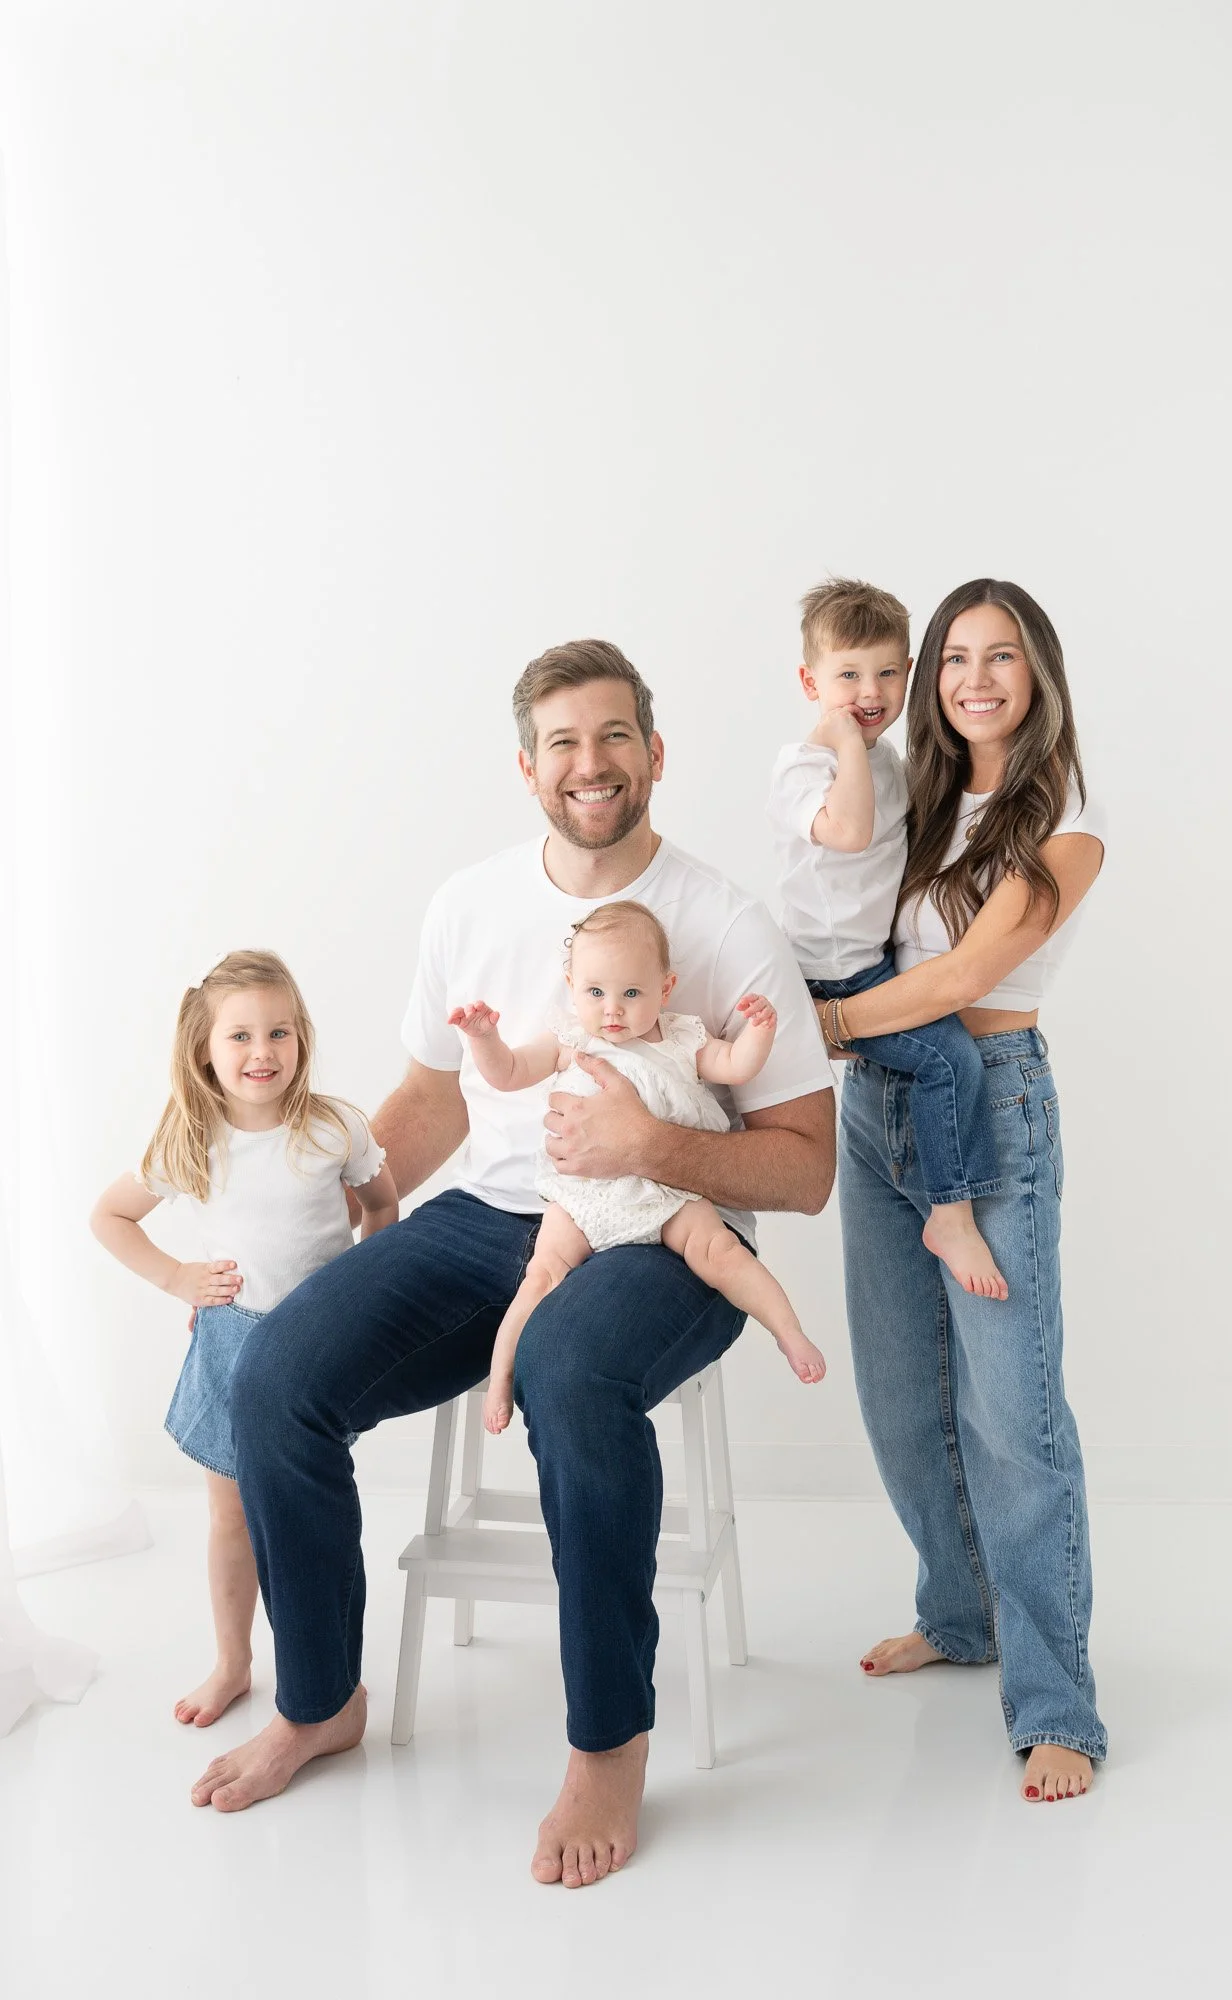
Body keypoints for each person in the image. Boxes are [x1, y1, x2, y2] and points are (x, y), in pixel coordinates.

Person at [189, 641, 835, 1888]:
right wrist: (356, 1180)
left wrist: (650, 1139)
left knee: (568, 1374)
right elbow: (432, 1100)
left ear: (655, 752)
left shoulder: (725, 923)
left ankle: (608, 1739)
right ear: (527, 766)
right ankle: (321, 1696)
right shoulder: (468, 904)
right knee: (279, 1376)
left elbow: (803, 1168)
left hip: (662, 1224)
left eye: (611, 737)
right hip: (494, 1213)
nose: (587, 764)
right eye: (561, 743)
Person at [824, 579, 1108, 1803]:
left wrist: (819, 1021)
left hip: (989, 1099)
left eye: (1001, 656)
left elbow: (965, 973)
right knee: (901, 1397)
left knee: (1012, 1416)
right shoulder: (911, 801)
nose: (974, 677)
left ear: (1037, 674)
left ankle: (1057, 1705)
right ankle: (959, 1610)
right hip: (875, 1108)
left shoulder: (1067, 822)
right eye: (955, 657)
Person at [89, 950, 398, 1729]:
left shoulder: (334, 1127)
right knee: (230, 1518)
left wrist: (353, 1288)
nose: (262, 1053)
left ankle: (322, 1678)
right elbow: (110, 1216)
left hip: (316, 1348)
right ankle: (233, 1661)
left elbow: (382, 1207)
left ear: (301, 1039)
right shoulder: (190, 1137)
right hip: (232, 1343)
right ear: (205, 1049)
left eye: (279, 1033)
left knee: (302, 1508)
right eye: (240, 1037)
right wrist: (177, 1279)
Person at [452, 897, 826, 1432]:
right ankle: (503, 1375)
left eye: (632, 993)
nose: (613, 1010)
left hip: (667, 1187)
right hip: (582, 1197)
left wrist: (760, 1032)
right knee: (541, 1275)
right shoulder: (569, 1040)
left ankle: (788, 1333)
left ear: (665, 989)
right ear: (571, 985)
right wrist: (484, 1038)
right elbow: (508, 1073)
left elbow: (736, 1065)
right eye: (596, 992)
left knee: (718, 1250)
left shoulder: (682, 1038)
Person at [769, 578, 1006, 1299]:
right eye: (846, 675)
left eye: (885, 673)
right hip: (822, 977)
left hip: (869, 967)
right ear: (810, 681)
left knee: (939, 1062)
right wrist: (841, 738)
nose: (867, 691)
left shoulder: (887, 765)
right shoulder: (801, 767)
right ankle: (952, 1211)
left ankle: (946, 1203)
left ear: (907, 675)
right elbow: (849, 832)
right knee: (947, 1062)